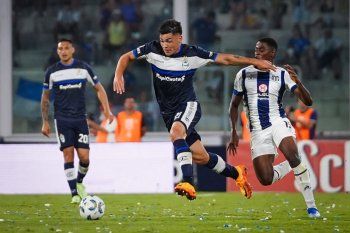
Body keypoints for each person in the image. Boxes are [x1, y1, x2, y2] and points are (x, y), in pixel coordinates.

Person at [113, 19, 275, 200]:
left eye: (169, 40)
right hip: (168, 113)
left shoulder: (193, 54)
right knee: (201, 157)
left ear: (179, 38)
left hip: (188, 105)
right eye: (162, 40)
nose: (165, 45)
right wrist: (118, 75)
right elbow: (125, 57)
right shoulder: (152, 49)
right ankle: (237, 174)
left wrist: (254, 62)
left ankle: (188, 182)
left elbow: (227, 59)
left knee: (176, 133)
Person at [228, 37, 321, 218]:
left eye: (261, 50)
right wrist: (233, 131)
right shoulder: (243, 74)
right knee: (265, 179)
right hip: (257, 130)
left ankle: (312, 207)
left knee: (293, 154)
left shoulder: (282, 74)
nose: (257, 53)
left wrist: (298, 82)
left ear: (272, 54)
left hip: (278, 121)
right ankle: (295, 163)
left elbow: (308, 102)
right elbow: (233, 105)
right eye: (256, 49)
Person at [41, 38, 113, 204]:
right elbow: (45, 99)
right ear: (58, 51)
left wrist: (107, 111)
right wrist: (45, 122)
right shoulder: (51, 72)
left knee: (85, 158)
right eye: (60, 49)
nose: (64, 51)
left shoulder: (83, 68)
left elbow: (99, 88)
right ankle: (74, 193)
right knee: (68, 154)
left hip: (80, 119)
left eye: (66, 48)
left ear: (73, 49)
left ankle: (79, 182)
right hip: (62, 119)